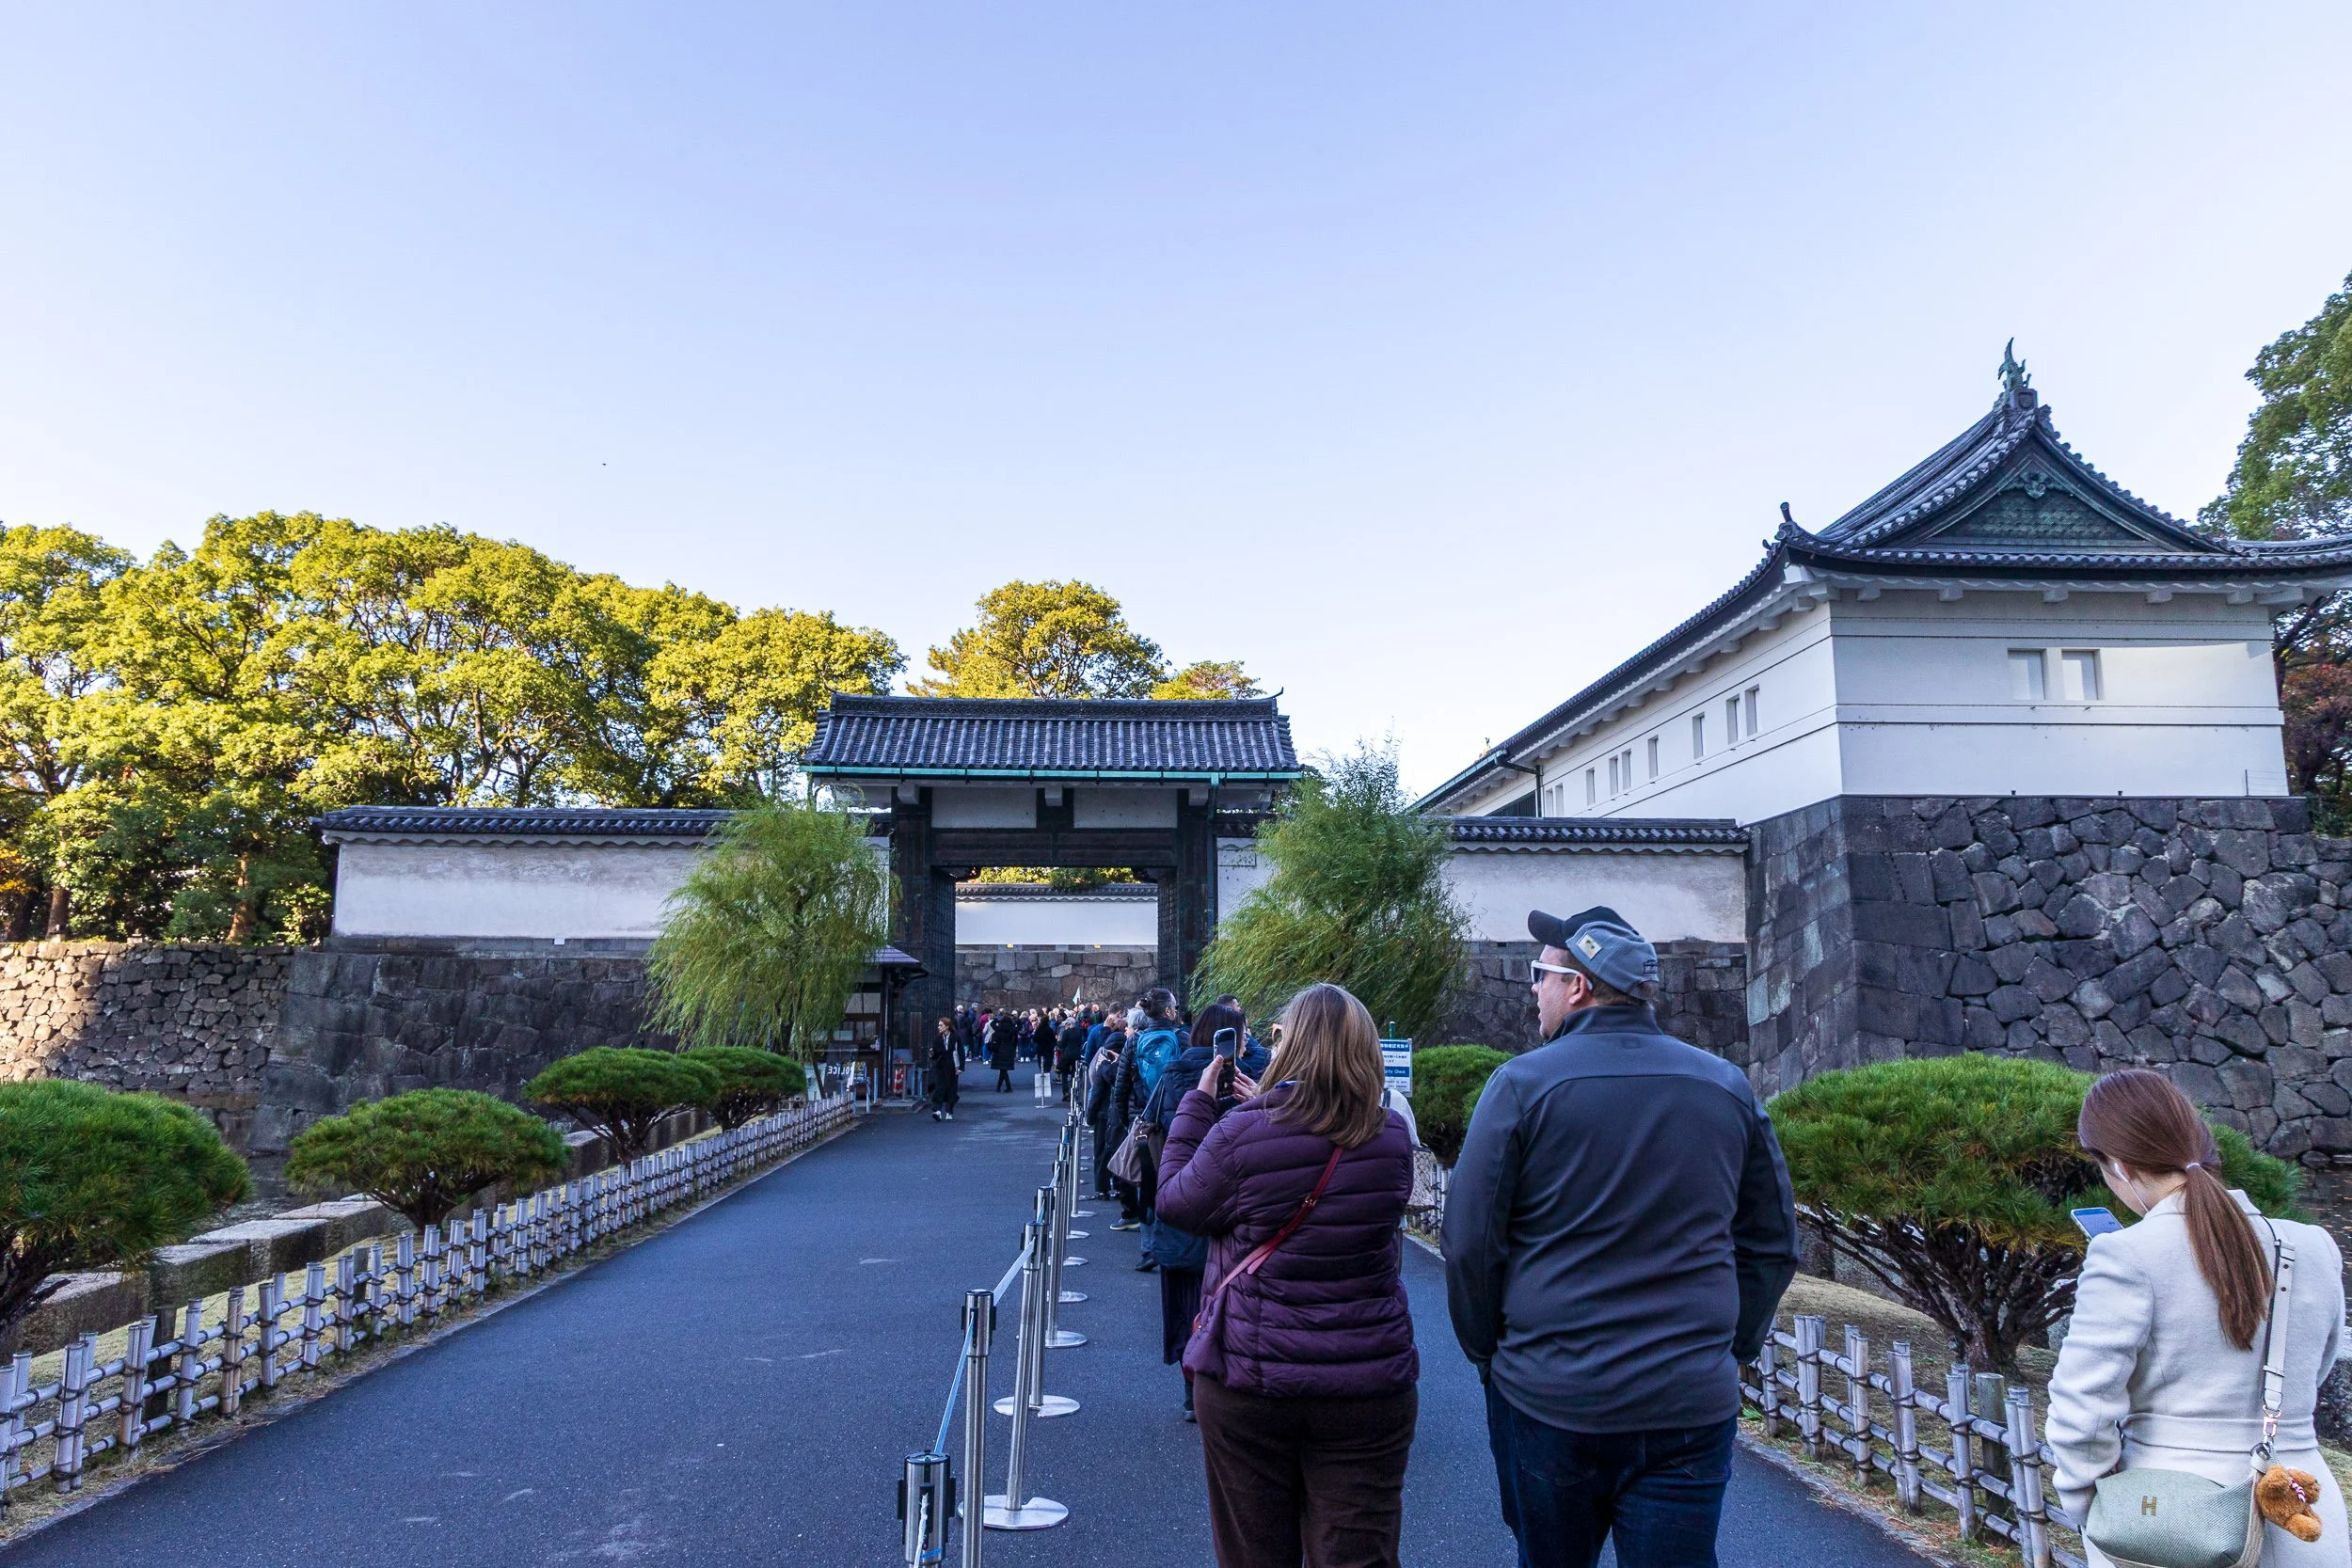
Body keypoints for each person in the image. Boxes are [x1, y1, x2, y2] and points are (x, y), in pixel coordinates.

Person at [1445, 906, 1799, 1568]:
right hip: (1687, 1400)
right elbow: (1773, 1241)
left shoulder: (1521, 1086)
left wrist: (1489, 1352)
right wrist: (1734, 1344)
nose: (1532, 988)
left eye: (1539, 974)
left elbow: (1469, 1243)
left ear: (1577, 986)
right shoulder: (1726, 1085)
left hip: (1550, 1391)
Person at [1156, 982, 1419, 1568]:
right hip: (1366, 1374)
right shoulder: (1391, 1135)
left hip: (1252, 1370)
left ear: (1290, 1046)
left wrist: (1197, 1107)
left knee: (1255, 1551)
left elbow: (1177, 1203)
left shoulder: (1243, 1130)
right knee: (1359, 1551)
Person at [2046, 1069, 2348, 1567]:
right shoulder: (2315, 1245)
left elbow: (2082, 1412)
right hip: (2304, 1518)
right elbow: (2314, 1371)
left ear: (2118, 1165)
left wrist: (2091, 1512)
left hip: (2168, 1522)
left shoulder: (2125, 1255)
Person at [1137, 1002, 1272, 1422]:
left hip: (1178, 1200)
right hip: (1226, 1210)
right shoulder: (1239, 1081)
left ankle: (1189, 1386)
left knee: (1184, 1301)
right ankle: (1218, 1382)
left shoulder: (1174, 1072)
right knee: (1222, 1299)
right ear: (1225, 1037)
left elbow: (1161, 1128)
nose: (1247, 1039)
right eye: (1241, 1032)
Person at [1085, 1034, 1126, 1200]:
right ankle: (1118, 1186)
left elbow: (1096, 1093)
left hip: (1103, 1114)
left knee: (1101, 1152)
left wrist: (1090, 1117)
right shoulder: (1124, 1066)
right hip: (1119, 1114)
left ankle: (1101, 1188)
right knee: (1118, 1151)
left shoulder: (1103, 1067)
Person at [928, 1019, 961, 1122]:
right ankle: (937, 1110)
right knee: (939, 1087)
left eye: (941, 1025)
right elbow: (935, 1053)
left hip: (952, 1065)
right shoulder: (937, 1039)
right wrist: (932, 1053)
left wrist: (961, 1067)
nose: (939, 1027)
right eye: (939, 1025)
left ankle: (949, 1110)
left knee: (951, 1088)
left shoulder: (955, 1038)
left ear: (947, 1026)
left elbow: (960, 1052)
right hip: (940, 1066)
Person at [987, 1008, 1020, 1092]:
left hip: (999, 1050)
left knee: (1003, 1069)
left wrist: (998, 1017)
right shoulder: (1012, 1030)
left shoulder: (998, 1029)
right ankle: (1000, 1087)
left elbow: (992, 1024)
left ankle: (1007, 1087)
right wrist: (1015, 1018)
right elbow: (1020, 1026)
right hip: (1009, 1050)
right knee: (1003, 1070)